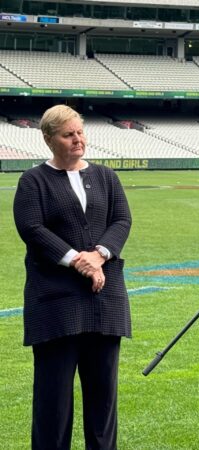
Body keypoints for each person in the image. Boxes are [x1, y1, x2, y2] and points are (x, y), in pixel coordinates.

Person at [13, 104, 132, 450]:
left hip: (103, 304)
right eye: (69, 134)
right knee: (53, 406)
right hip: (55, 306)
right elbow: (32, 228)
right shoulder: (33, 181)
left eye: (80, 132)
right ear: (50, 140)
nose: (78, 139)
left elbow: (121, 220)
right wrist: (76, 261)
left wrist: (99, 256)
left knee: (103, 406)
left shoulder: (106, 176)